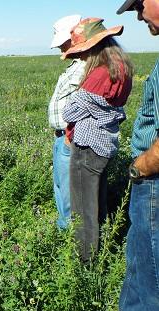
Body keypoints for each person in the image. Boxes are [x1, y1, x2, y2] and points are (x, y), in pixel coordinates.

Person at [61, 17, 133, 262]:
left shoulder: (99, 73)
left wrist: (84, 106)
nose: (81, 57)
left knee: (83, 210)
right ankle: (101, 252)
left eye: (83, 52)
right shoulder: (121, 68)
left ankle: (85, 263)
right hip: (105, 144)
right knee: (96, 203)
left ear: (94, 47)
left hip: (87, 146)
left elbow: (69, 112)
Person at [115, 1, 159, 311]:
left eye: (140, 5)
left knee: (155, 274)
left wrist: (137, 168)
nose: (139, 15)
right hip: (151, 183)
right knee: (142, 261)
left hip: (154, 180)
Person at [48, 14, 87, 229]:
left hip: (71, 140)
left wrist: (69, 140)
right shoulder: (76, 65)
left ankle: (73, 243)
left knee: (72, 197)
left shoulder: (85, 67)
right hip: (63, 138)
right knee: (62, 190)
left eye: (62, 44)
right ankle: (65, 235)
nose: (60, 50)